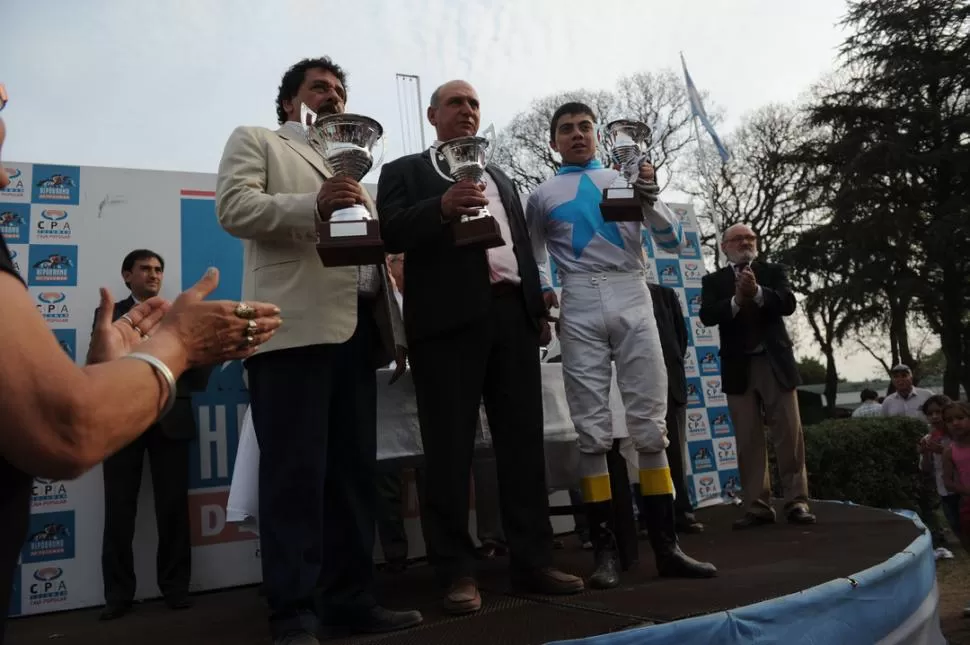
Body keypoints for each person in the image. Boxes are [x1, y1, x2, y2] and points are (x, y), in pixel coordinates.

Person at [215, 57, 419, 644]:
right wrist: (316, 204)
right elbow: (234, 208)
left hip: (357, 337)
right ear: (290, 101)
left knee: (353, 479)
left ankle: (350, 602)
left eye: (339, 90)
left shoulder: (354, 163)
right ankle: (293, 614)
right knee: (294, 478)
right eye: (318, 88)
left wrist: (392, 328)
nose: (332, 97)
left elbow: (371, 258)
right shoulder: (259, 140)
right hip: (292, 332)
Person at [376, 79, 583, 615]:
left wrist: (536, 306)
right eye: (455, 103)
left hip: (513, 318)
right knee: (448, 451)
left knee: (523, 445)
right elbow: (389, 233)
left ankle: (533, 560)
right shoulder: (405, 171)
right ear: (432, 115)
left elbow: (521, 248)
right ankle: (456, 572)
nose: (466, 110)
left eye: (473, 103)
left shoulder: (500, 177)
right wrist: (441, 206)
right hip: (445, 324)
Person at [526, 101, 715, 590]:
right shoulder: (542, 194)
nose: (577, 134)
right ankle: (605, 553)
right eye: (566, 129)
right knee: (591, 430)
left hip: (632, 291)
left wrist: (648, 193)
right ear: (554, 141)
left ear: (597, 135)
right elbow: (533, 254)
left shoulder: (624, 177)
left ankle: (668, 547)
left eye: (585, 126)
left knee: (650, 425)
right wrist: (543, 289)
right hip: (578, 298)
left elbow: (671, 240)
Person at [96, 249, 214, 620]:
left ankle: (176, 588)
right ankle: (118, 596)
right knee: (118, 511)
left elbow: (197, 367)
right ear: (126, 275)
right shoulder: (110, 317)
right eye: (145, 269)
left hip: (171, 420)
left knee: (173, 509)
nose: (154, 275)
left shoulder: (179, 316)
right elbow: (98, 368)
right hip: (122, 422)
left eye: (158, 269)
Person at [699, 224, 816, 529]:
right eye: (738, 239)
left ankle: (797, 501)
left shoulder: (773, 271)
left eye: (750, 238)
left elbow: (788, 304)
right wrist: (737, 300)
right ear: (724, 246)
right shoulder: (713, 281)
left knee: (789, 436)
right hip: (739, 368)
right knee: (748, 440)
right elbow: (707, 315)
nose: (745, 242)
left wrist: (758, 293)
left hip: (775, 364)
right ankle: (757, 505)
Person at [645, 282, 703, 535]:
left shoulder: (665, 295)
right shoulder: (614, 294)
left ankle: (682, 511)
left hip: (670, 384)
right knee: (639, 455)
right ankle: (649, 518)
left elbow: (680, 339)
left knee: (675, 454)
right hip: (633, 386)